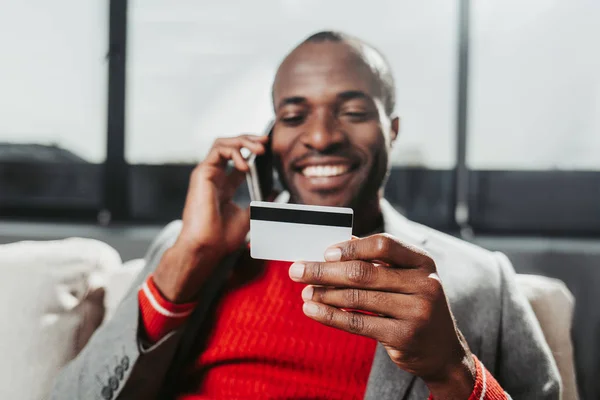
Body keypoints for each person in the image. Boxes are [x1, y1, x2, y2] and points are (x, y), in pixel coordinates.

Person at [51, 31, 560, 400]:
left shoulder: (482, 279)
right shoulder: (186, 248)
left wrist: (455, 372)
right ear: (270, 140)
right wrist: (186, 261)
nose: (320, 137)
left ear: (394, 131)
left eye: (353, 111)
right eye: (294, 116)